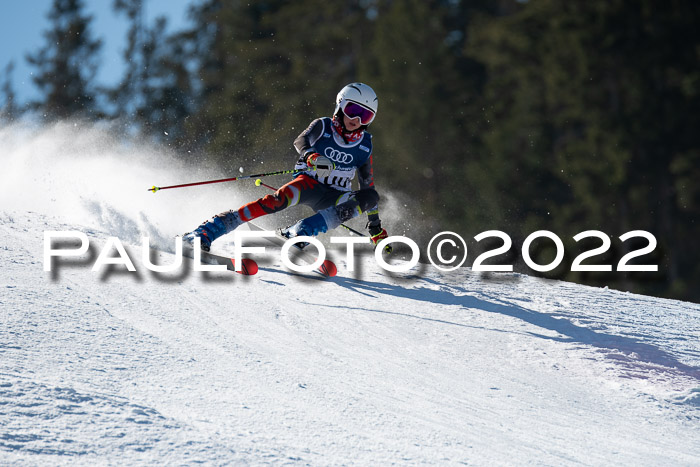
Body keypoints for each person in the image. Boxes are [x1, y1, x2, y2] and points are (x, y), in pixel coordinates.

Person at [183, 82, 389, 252]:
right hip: (309, 183)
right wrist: (312, 156)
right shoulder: (324, 126)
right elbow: (300, 141)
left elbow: (367, 184)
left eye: (365, 115)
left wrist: (375, 226)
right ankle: (210, 229)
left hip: (335, 197)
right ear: (340, 106)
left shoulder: (365, 145)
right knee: (277, 201)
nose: (356, 120)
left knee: (371, 196)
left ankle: (301, 231)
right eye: (353, 110)